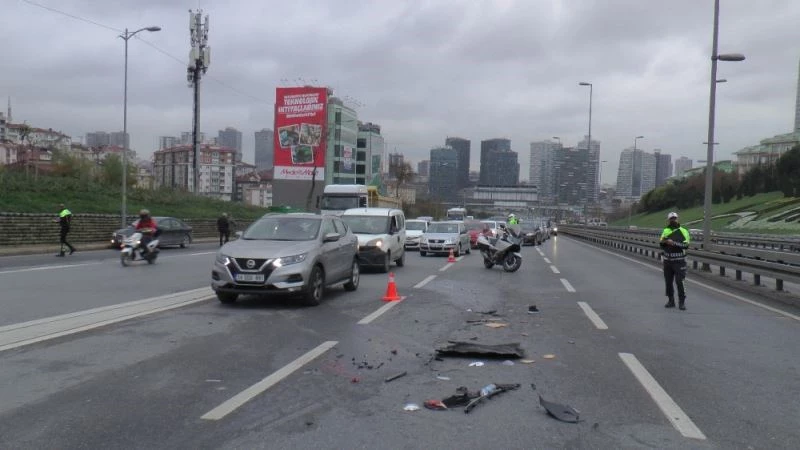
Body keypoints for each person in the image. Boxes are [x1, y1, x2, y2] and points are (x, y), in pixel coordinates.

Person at [660, 212, 691, 310]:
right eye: (671, 219)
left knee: (680, 281)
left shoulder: (684, 231)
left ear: (677, 219)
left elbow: (686, 245)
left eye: (674, 218)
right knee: (668, 282)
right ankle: (671, 301)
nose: (673, 220)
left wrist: (673, 243)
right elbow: (661, 244)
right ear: (668, 220)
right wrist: (665, 241)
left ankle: (682, 302)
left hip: (679, 261)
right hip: (667, 261)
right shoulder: (665, 230)